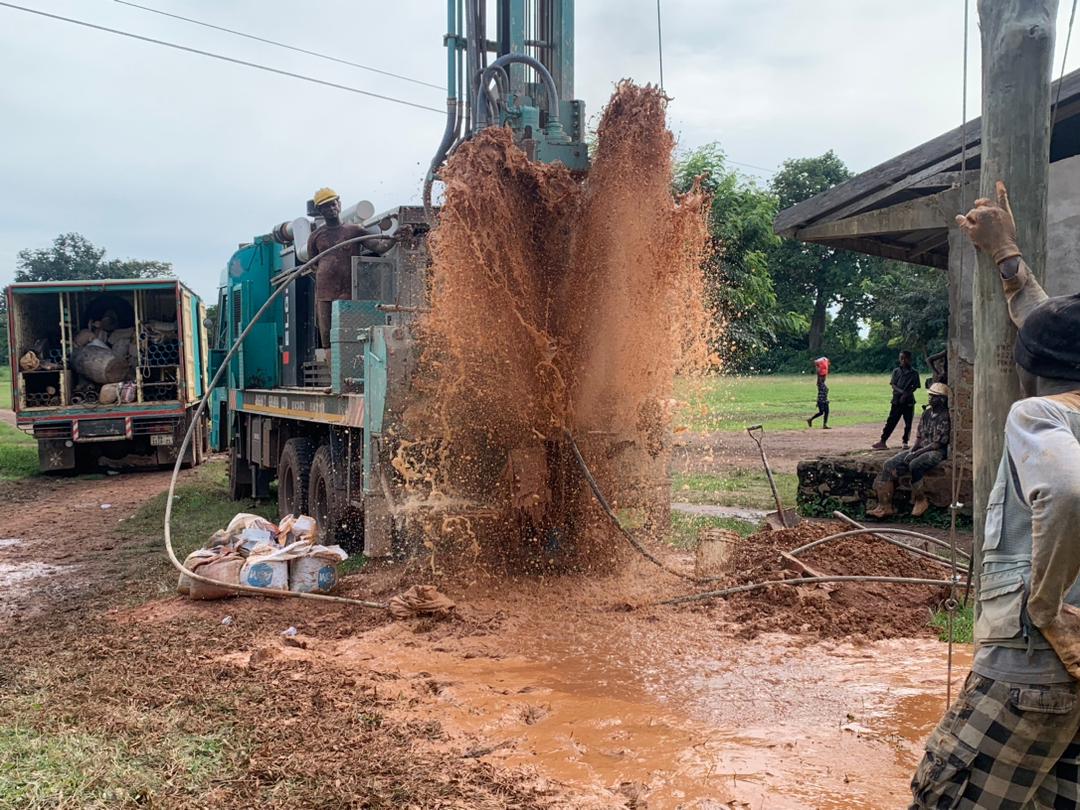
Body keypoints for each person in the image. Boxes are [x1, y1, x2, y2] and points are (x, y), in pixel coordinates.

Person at [909, 181, 1080, 808]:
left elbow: (1067, 491)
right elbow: (1053, 330)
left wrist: (1045, 605)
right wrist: (1007, 258)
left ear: (1027, 370)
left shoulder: (1039, 414)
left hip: (1031, 668)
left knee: (945, 798)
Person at [866, 382, 950, 518]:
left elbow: (938, 443)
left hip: (936, 451)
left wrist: (916, 453)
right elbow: (919, 437)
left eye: (934, 397)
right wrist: (912, 450)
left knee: (915, 464)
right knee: (889, 464)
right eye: (930, 396)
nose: (930, 399)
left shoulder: (944, 416)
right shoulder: (927, 413)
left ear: (942, 399)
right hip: (922, 447)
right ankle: (884, 506)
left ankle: (920, 499)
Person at [306, 187, 365, 351]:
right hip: (325, 295)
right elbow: (313, 264)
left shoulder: (355, 231)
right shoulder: (316, 236)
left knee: (352, 334)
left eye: (333, 204)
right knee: (328, 339)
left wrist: (394, 237)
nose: (331, 209)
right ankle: (333, 371)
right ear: (320, 210)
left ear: (339, 204)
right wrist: (328, 274)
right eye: (325, 207)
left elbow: (379, 247)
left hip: (350, 293)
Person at [873, 350, 920, 449]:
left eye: (904, 358)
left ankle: (905, 442)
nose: (902, 360)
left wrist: (906, 394)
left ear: (909, 359)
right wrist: (902, 393)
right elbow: (893, 385)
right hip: (896, 400)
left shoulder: (914, 373)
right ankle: (883, 441)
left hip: (909, 401)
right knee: (891, 421)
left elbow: (915, 386)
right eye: (901, 358)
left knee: (908, 423)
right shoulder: (896, 371)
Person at [807, 356, 831, 429]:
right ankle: (810, 419)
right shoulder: (819, 383)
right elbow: (818, 374)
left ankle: (825, 425)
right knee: (821, 412)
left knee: (827, 412)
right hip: (821, 400)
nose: (824, 377)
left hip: (825, 400)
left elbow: (824, 374)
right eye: (823, 377)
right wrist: (817, 367)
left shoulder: (823, 384)